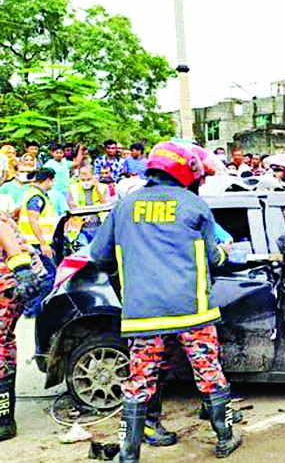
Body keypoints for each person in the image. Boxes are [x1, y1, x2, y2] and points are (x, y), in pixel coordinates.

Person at [89, 142, 241, 461]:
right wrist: (226, 253)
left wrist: (127, 282)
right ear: (187, 171)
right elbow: (213, 257)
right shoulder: (194, 205)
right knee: (209, 372)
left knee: (139, 380)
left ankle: (129, 454)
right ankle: (225, 437)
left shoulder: (124, 206)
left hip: (144, 315)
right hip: (192, 311)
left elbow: (99, 256)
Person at [0, 210, 45, 441]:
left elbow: (7, 237)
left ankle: (4, 420)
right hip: (12, 286)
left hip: (6, 288)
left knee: (1, 348)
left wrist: (22, 271)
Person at [18, 169, 58, 262]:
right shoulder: (37, 198)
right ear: (48, 180)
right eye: (53, 180)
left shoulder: (35, 194)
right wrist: (43, 243)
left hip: (37, 241)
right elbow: (33, 220)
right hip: (36, 243)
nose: (54, 183)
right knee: (48, 273)